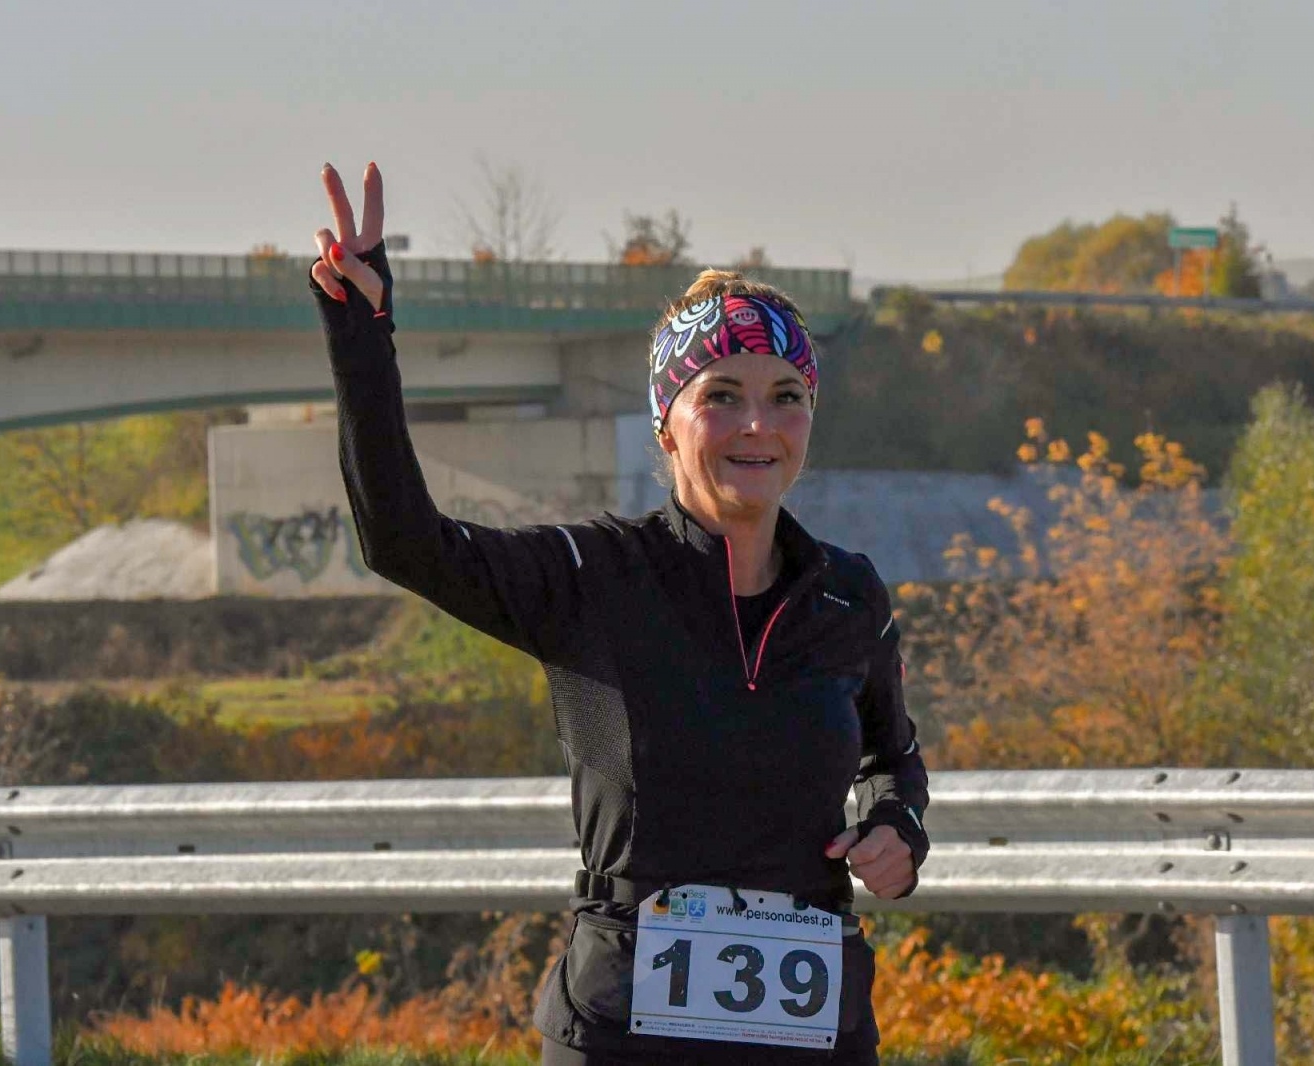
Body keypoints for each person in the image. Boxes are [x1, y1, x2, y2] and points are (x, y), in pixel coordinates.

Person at [308, 162, 929, 1065]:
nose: (758, 425)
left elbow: (893, 759)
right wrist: (363, 337)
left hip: (811, 1035)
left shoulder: (848, 595)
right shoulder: (593, 576)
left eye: (784, 397)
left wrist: (898, 832)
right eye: (721, 396)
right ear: (666, 424)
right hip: (626, 1033)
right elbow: (404, 542)